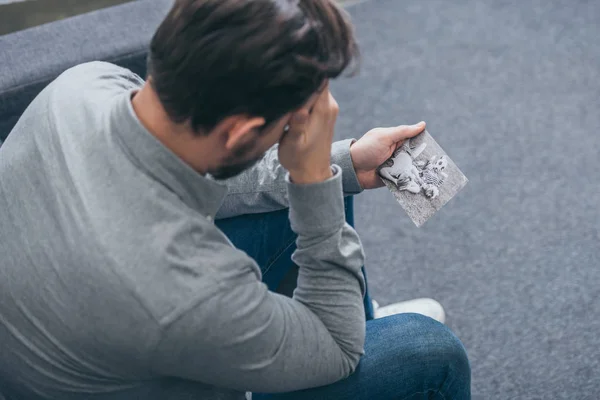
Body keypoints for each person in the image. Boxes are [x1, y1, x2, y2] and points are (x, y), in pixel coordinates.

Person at [0, 0, 470, 399]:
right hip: (151, 337)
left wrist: (338, 164)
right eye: (290, 124)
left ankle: (353, 311)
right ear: (240, 132)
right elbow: (340, 352)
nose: (301, 129)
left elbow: (198, 170)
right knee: (429, 352)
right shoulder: (185, 291)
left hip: (84, 319)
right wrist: (309, 176)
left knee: (322, 180)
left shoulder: (84, 86)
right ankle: (350, 319)